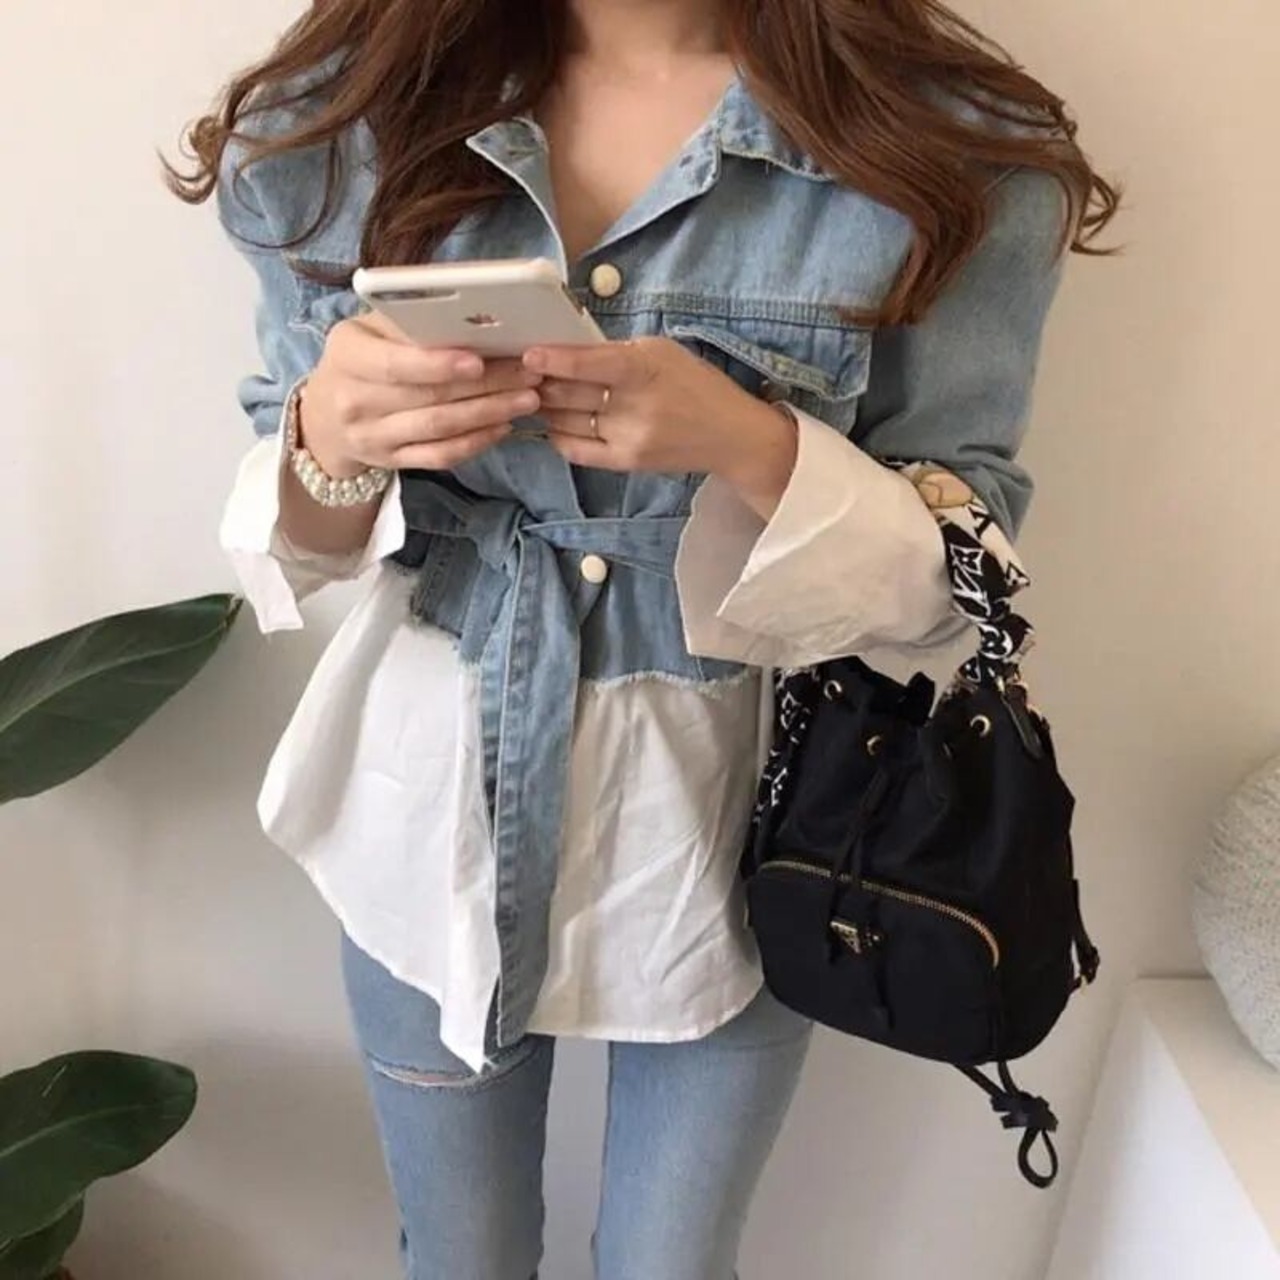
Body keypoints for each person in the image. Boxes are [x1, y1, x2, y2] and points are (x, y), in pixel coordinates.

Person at [167, 2, 1117, 1276]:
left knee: (673, 1261)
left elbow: (957, 582)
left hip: (728, 847)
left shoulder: (941, 153)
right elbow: (302, 546)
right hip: (431, 825)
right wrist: (328, 436)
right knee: (456, 1254)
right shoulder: (345, 123)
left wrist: (750, 444)